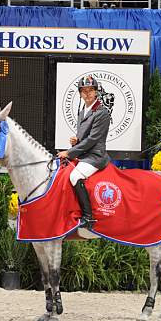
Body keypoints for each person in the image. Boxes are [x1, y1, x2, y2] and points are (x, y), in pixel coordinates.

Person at [57, 75, 111, 230]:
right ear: (80, 93)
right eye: (84, 91)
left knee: (75, 176)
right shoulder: (83, 111)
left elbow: (93, 139)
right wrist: (76, 140)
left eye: (90, 90)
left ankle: (88, 217)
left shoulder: (102, 113)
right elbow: (84, 137)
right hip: (83, 154)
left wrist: (69, 152)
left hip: (95, 156)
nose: (87, 94)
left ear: (96, 92)